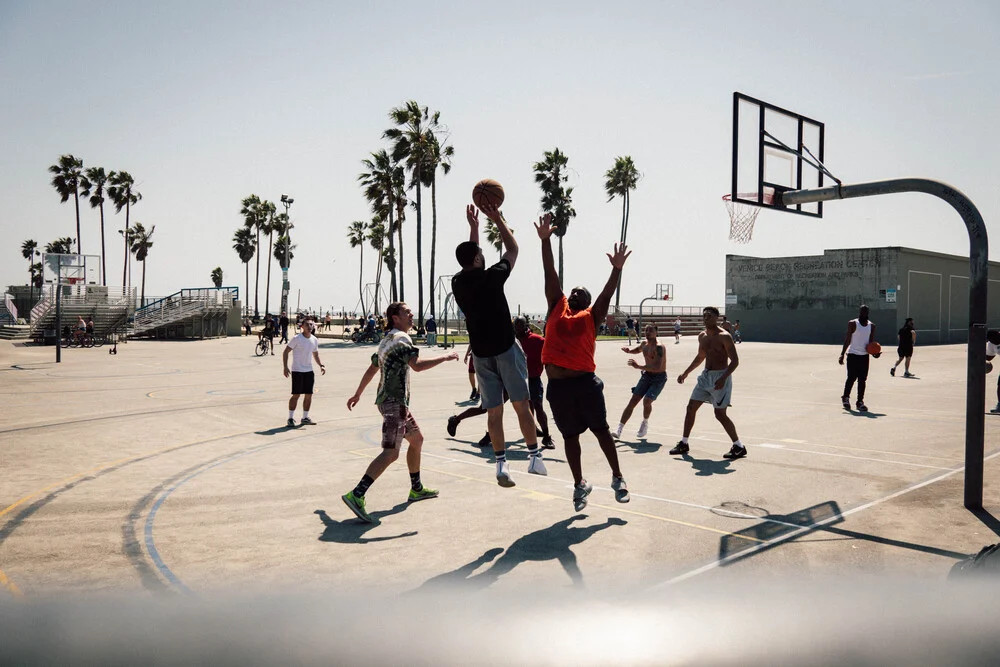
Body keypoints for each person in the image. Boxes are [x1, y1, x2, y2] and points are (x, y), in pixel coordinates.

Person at [535, 214, 630, 510]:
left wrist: (616, 270)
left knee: (600, 431)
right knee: (570, 437)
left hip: (585, 383)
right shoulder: (556, 307)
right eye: (572, 290)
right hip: (558, 387)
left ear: (587, 302)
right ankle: (579, 484)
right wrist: (546, 240)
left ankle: (618, 478)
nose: (574, 293)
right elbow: (549, 271)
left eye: (580, 293)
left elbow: (606, 293)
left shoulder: (591, 316)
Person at [451, 201, 546, 487]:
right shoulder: (493, 277)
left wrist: (475, 228)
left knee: (494, 411)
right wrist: (498, 220)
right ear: (479, 259)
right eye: (480, 253)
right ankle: (534, 458)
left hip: (481, 354)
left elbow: (471, 259)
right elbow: (513, 250)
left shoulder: (458, 282)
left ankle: (501, 466)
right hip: (505, 348)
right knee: (521, 404)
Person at [342, 302, 459, 523]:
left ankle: (416, 489)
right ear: (395, 317)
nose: (412, 314)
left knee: (416, 440)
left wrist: (358, 393)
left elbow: (373, 367)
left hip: (390, 401)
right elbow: (417, 365)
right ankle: (356, 494)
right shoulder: (401, 340)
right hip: (394, 402)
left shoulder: (386, 340)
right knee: (391, 452)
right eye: (407, 312)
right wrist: (445, 357)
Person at [669, 306, 745, 459]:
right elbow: (700, 357)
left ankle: (739, 446)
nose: (706, 318)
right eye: (704, 315)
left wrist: (723, 378)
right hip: (705, 377)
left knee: (720, 414)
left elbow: (735, 361)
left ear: (717, 317)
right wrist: (686, 373)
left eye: (709, 315)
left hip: (720, 376)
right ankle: (684, 443)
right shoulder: (702, 336)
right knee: (691, 408)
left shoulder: (724, 336)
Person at [614, 324, 667, 440]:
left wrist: (638, 367)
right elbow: (638, 350)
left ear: (656, 332)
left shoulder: (659, 347)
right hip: (647, 376)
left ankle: (645, 423)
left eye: (651, 331)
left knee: (647, 401)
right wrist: (629, 351)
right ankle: (619, 428)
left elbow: (657, 367)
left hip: (659, 377)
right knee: (633, 401)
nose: (647, 333)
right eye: (646, 330)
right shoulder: (644, 344)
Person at [514, 316, 555, 448]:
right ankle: (490, 434)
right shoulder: (513, 341)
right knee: (499, 406)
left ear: (526, 326)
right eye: (515, 325)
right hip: (517, 379)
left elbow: (551, 352)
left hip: (533, 379)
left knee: (538, 406)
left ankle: (547, 436)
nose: (517, 328)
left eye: (519, 325)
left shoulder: (537, 340)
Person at [282, 319, 325, 427]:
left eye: (311, 324)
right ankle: (290, 418)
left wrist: (321, 365)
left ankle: (305, 418)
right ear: (302, 326)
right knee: (296, 395)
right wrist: (285, 367)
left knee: (309, 395)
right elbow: (286, 351)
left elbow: (315, 354)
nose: (309, 326)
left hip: (309, 371)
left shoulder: (314, 339)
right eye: (307, 325)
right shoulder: (297, 339)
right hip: (297, 370)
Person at [839, 304, 880, 412]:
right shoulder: (853, 323)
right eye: (862, 311)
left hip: (864, 357)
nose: (864, 313)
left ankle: (860, 402)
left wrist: (875, 353)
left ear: (868, 313)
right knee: (851, 378)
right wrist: (842, 354)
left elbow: (870, 344)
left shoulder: (872, 326)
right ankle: (846, 398)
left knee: (862, 380)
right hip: (852, 355)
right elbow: (848, 339)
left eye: (866, 311)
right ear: (859, 312)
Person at [987, 329, 1000, 413]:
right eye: (992, 341)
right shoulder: (991, 344)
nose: (995, 342)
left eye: (996, 340)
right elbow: (989, 357)